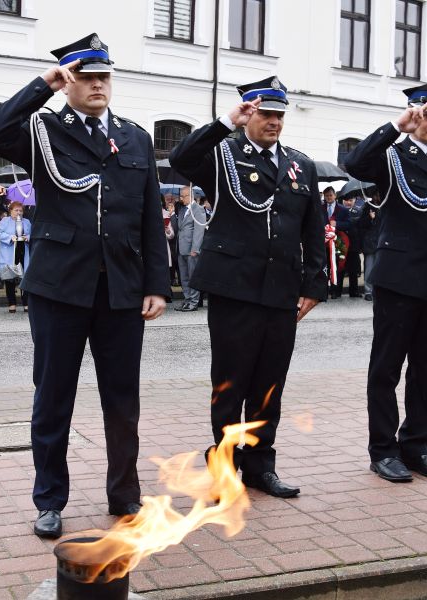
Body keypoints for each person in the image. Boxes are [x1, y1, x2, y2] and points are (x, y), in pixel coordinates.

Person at [0, 33, 170, 538]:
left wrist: (157, 284)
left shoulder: (134, 137)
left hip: (121, 289)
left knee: (122, 400)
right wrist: (42, 84)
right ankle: (49, 499)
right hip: (59, 287)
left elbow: (149, 216)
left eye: (104, 77)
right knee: (53, 397)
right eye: (86, 78)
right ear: (68, 83)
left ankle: (124, 493)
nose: (97, 85)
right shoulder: (44, 129)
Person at [170, 75, 327, 498]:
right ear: (249, 114)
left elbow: (312, 229)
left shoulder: (300, 165)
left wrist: (313, 285)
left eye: (279, 115)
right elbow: (182, 158)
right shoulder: (222, 155)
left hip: (281, 289)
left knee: (269, 385)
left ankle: (260, 466)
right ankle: (223, 470)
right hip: (233, 288)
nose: (274, 122)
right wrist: (226, 122)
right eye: (266, 114)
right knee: (230, 384)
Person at [345, 81, 427, 483]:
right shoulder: (392, 156)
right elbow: (355, 164)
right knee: (386, 369)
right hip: (399, 281)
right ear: (415, 115)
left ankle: (417, 445)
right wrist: (395, 127)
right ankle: (384, 451)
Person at [172, 186, 206, 312]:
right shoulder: (182, 210)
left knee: (192, 277)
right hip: (181, 248)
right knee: (184, 277)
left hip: (192, 249)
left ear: (190, 195)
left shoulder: (198, 209)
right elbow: (179, 228)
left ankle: (194, 302)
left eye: (183, 196)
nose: (181, 199)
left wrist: (195, 248)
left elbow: (199, 230)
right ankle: (187, 300)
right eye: (180, 196)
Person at [0, 201, 31, 312]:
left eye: (20, 210)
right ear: (10, 211)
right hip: (9, 252)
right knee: (9, 278)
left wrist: (27, 237)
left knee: (25, 278)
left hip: (23, 252)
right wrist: (10, 237)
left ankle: (26, 303)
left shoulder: (27, 222)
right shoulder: (4, 221)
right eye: (16, 210)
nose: (18, 212)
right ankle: (12, 303)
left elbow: (32, 234)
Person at [336, 195, 363, 298]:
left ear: (355, 201)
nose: (348, 202)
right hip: (340, 243)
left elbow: (360, 229)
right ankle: (337, 292)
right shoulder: (338, 211)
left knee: (353, 270)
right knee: (340, 268)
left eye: (350, 200)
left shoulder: (358, 212)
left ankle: (354, 291)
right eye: (346, 200)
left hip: (353, 244)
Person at [359, 203, 380, 301]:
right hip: (370, 242)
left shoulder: (384, 206)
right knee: (369, 268)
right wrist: (370, 218)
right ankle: (368, 291)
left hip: (381, 242)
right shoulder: (367, 207)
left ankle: (379, 290)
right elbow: (361, 224)